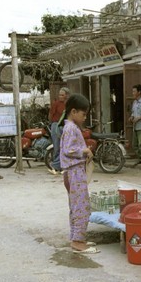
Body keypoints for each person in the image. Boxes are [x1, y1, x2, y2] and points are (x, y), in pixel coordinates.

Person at [60, 93, 97, 254]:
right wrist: (85, 150)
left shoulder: (71, 127)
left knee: (76, 206)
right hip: (74, 172)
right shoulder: (71, 128)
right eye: (83, 114)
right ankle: (78, 241)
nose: (84, 117)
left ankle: (76, 237)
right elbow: (69, 150)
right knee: (82, 206)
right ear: (73, 112)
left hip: (73, 172)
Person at [48, 87, 70, 174]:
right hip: (56, 126)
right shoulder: (56, 104)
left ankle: (58, 166)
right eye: (59, 95)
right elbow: (50, 115)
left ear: (66, 96)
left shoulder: (68, 104)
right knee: (57, 147)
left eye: (62, 95)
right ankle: (56, 166)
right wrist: (53, 125)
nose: (60, 96)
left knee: (64, 147)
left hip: (65, 126)